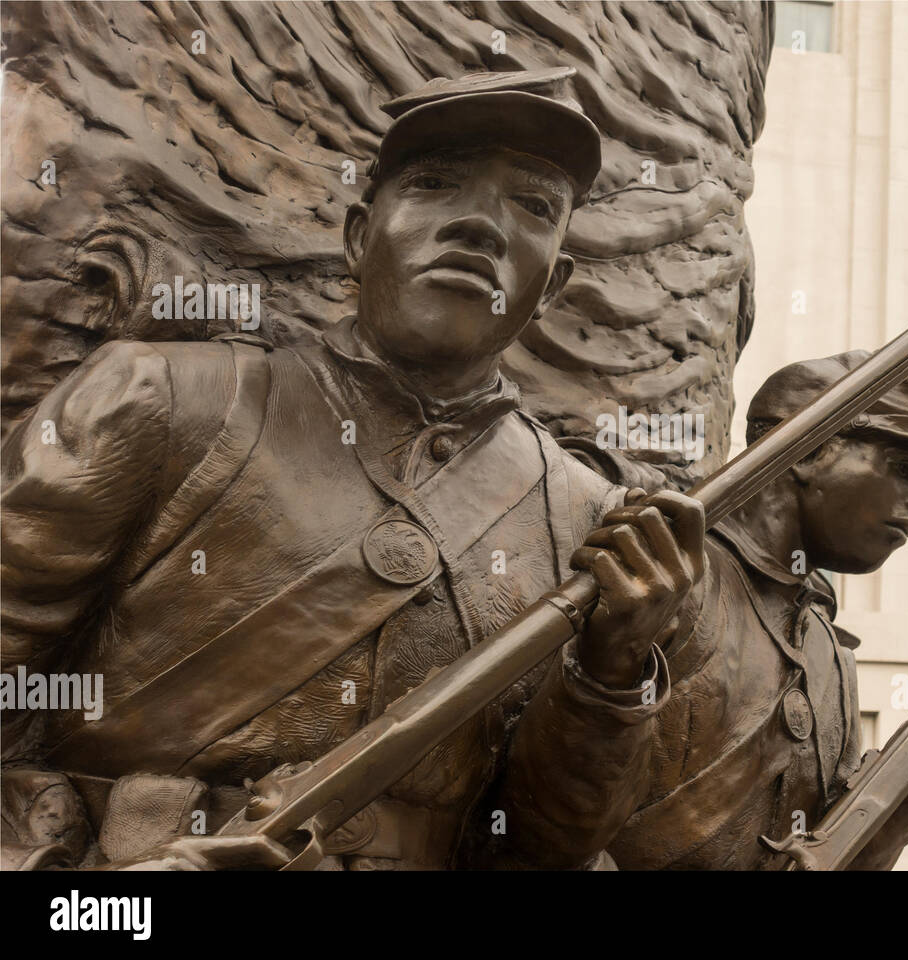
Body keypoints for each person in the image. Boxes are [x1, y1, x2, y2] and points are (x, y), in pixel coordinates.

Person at [0, 67, 705, 871]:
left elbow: (547, 846)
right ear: (360, 235)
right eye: (436, 185)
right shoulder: (159, 396)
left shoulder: (587, 517)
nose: (480, 223)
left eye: (535, 207)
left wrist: (613, 675)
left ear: (555, 285)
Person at [605, 350, 908, 869]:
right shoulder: (665, 577)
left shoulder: (827, 651)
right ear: (805, 450)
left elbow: (839, 855)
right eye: (903, 468)